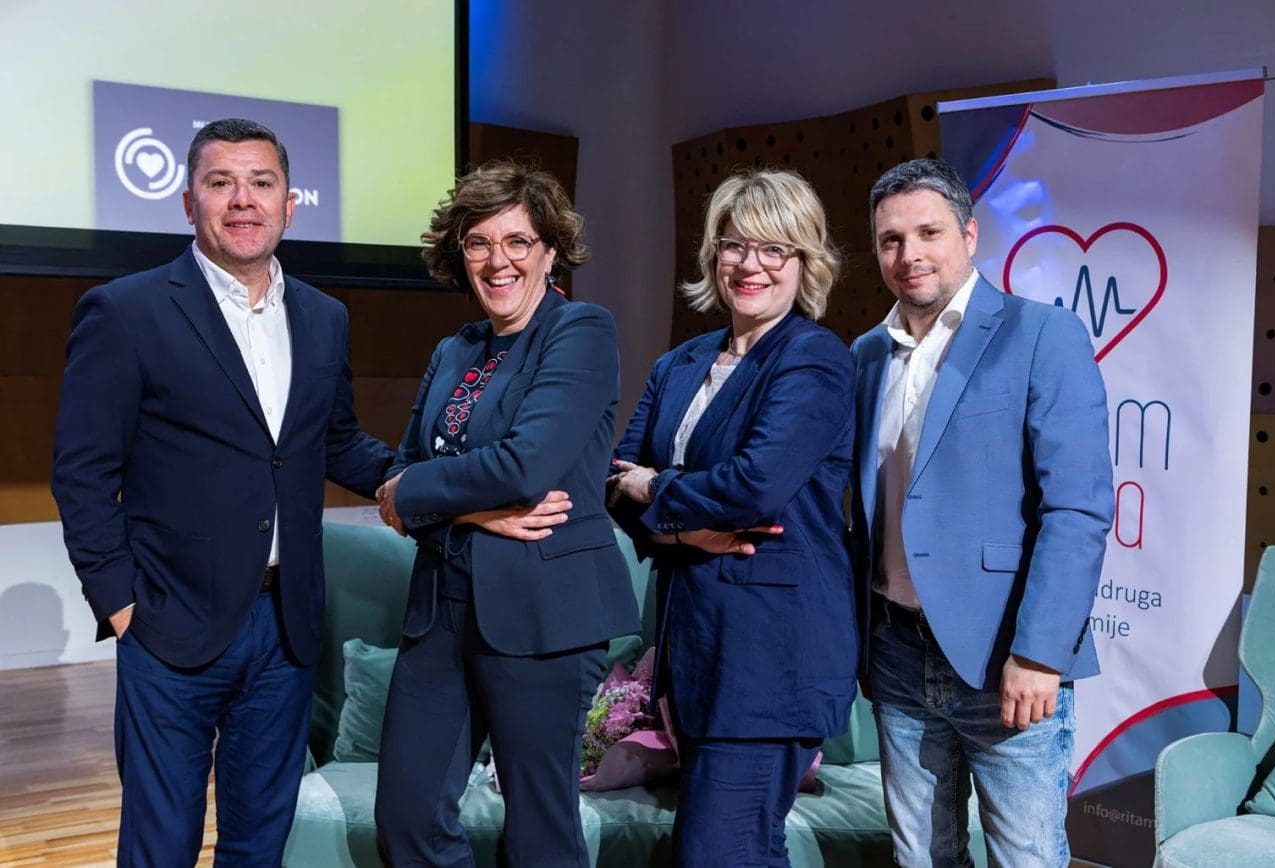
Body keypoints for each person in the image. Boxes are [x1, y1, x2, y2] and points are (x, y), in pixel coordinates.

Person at [50, 118, 395, 866]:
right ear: (188, 203)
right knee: (161, 844)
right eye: (221, 183)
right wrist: (120, 602)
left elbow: (335, 440)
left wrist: (421, 483)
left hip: (287, 627)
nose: (243, 200)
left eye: (261, 183)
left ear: (289, 204)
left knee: (259, 843)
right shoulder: (126, 310)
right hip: (167, 621)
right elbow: (82, 472)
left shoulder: (325, 316)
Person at [371, 160, 641, 867]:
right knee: (406, 818)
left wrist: (421, 492)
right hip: (441, 612)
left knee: (538, 831)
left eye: (518, 241)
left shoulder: (580, 331)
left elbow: (524, 465)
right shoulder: (453, 349)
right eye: (479, 243)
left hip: (543, 613)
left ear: (550, 251)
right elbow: (398, 473)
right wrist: (467, 515)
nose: (499, 261)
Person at [851, 157, 1113, 866]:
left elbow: (1078, 509)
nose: (909, 254)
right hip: (896, 655)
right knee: (920, 859)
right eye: (891, 240)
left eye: (928, 232)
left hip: (1007, 659)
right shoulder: (865, 355)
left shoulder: (1041, 335)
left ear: (969, 235)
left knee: (1026, 858)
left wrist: (1040, 652)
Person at [607, 168, 859, 867]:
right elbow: (612, 478)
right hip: (694, 651)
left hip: (769, 658)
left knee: (719, 854)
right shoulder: (680, 363)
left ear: (805, 261)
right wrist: (683, 527)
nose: (751, 264)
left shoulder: (813, 360)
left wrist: (657, 486)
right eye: (734, 245)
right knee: (740, 851)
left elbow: (754, 487)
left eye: (774, 248)